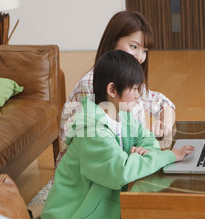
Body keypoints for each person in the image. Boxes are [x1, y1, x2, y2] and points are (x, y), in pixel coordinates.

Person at [41, 50, 194, 219]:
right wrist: (168, 156)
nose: (139, 95)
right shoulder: (92, 130)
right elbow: (120, 171)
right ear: (112, 89)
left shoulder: (122, 114)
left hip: (105, 206)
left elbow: (147, 140)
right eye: (134, 89)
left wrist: (148, 153)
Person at [56, 10, 176, 165]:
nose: (140, 57)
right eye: (134, 46)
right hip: (92, 171)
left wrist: (164, 125)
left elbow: (163, 103)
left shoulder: (127, 79)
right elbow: (110, 149)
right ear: (113, 41)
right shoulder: (92, 85)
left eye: (144, 50)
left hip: (122, 160)